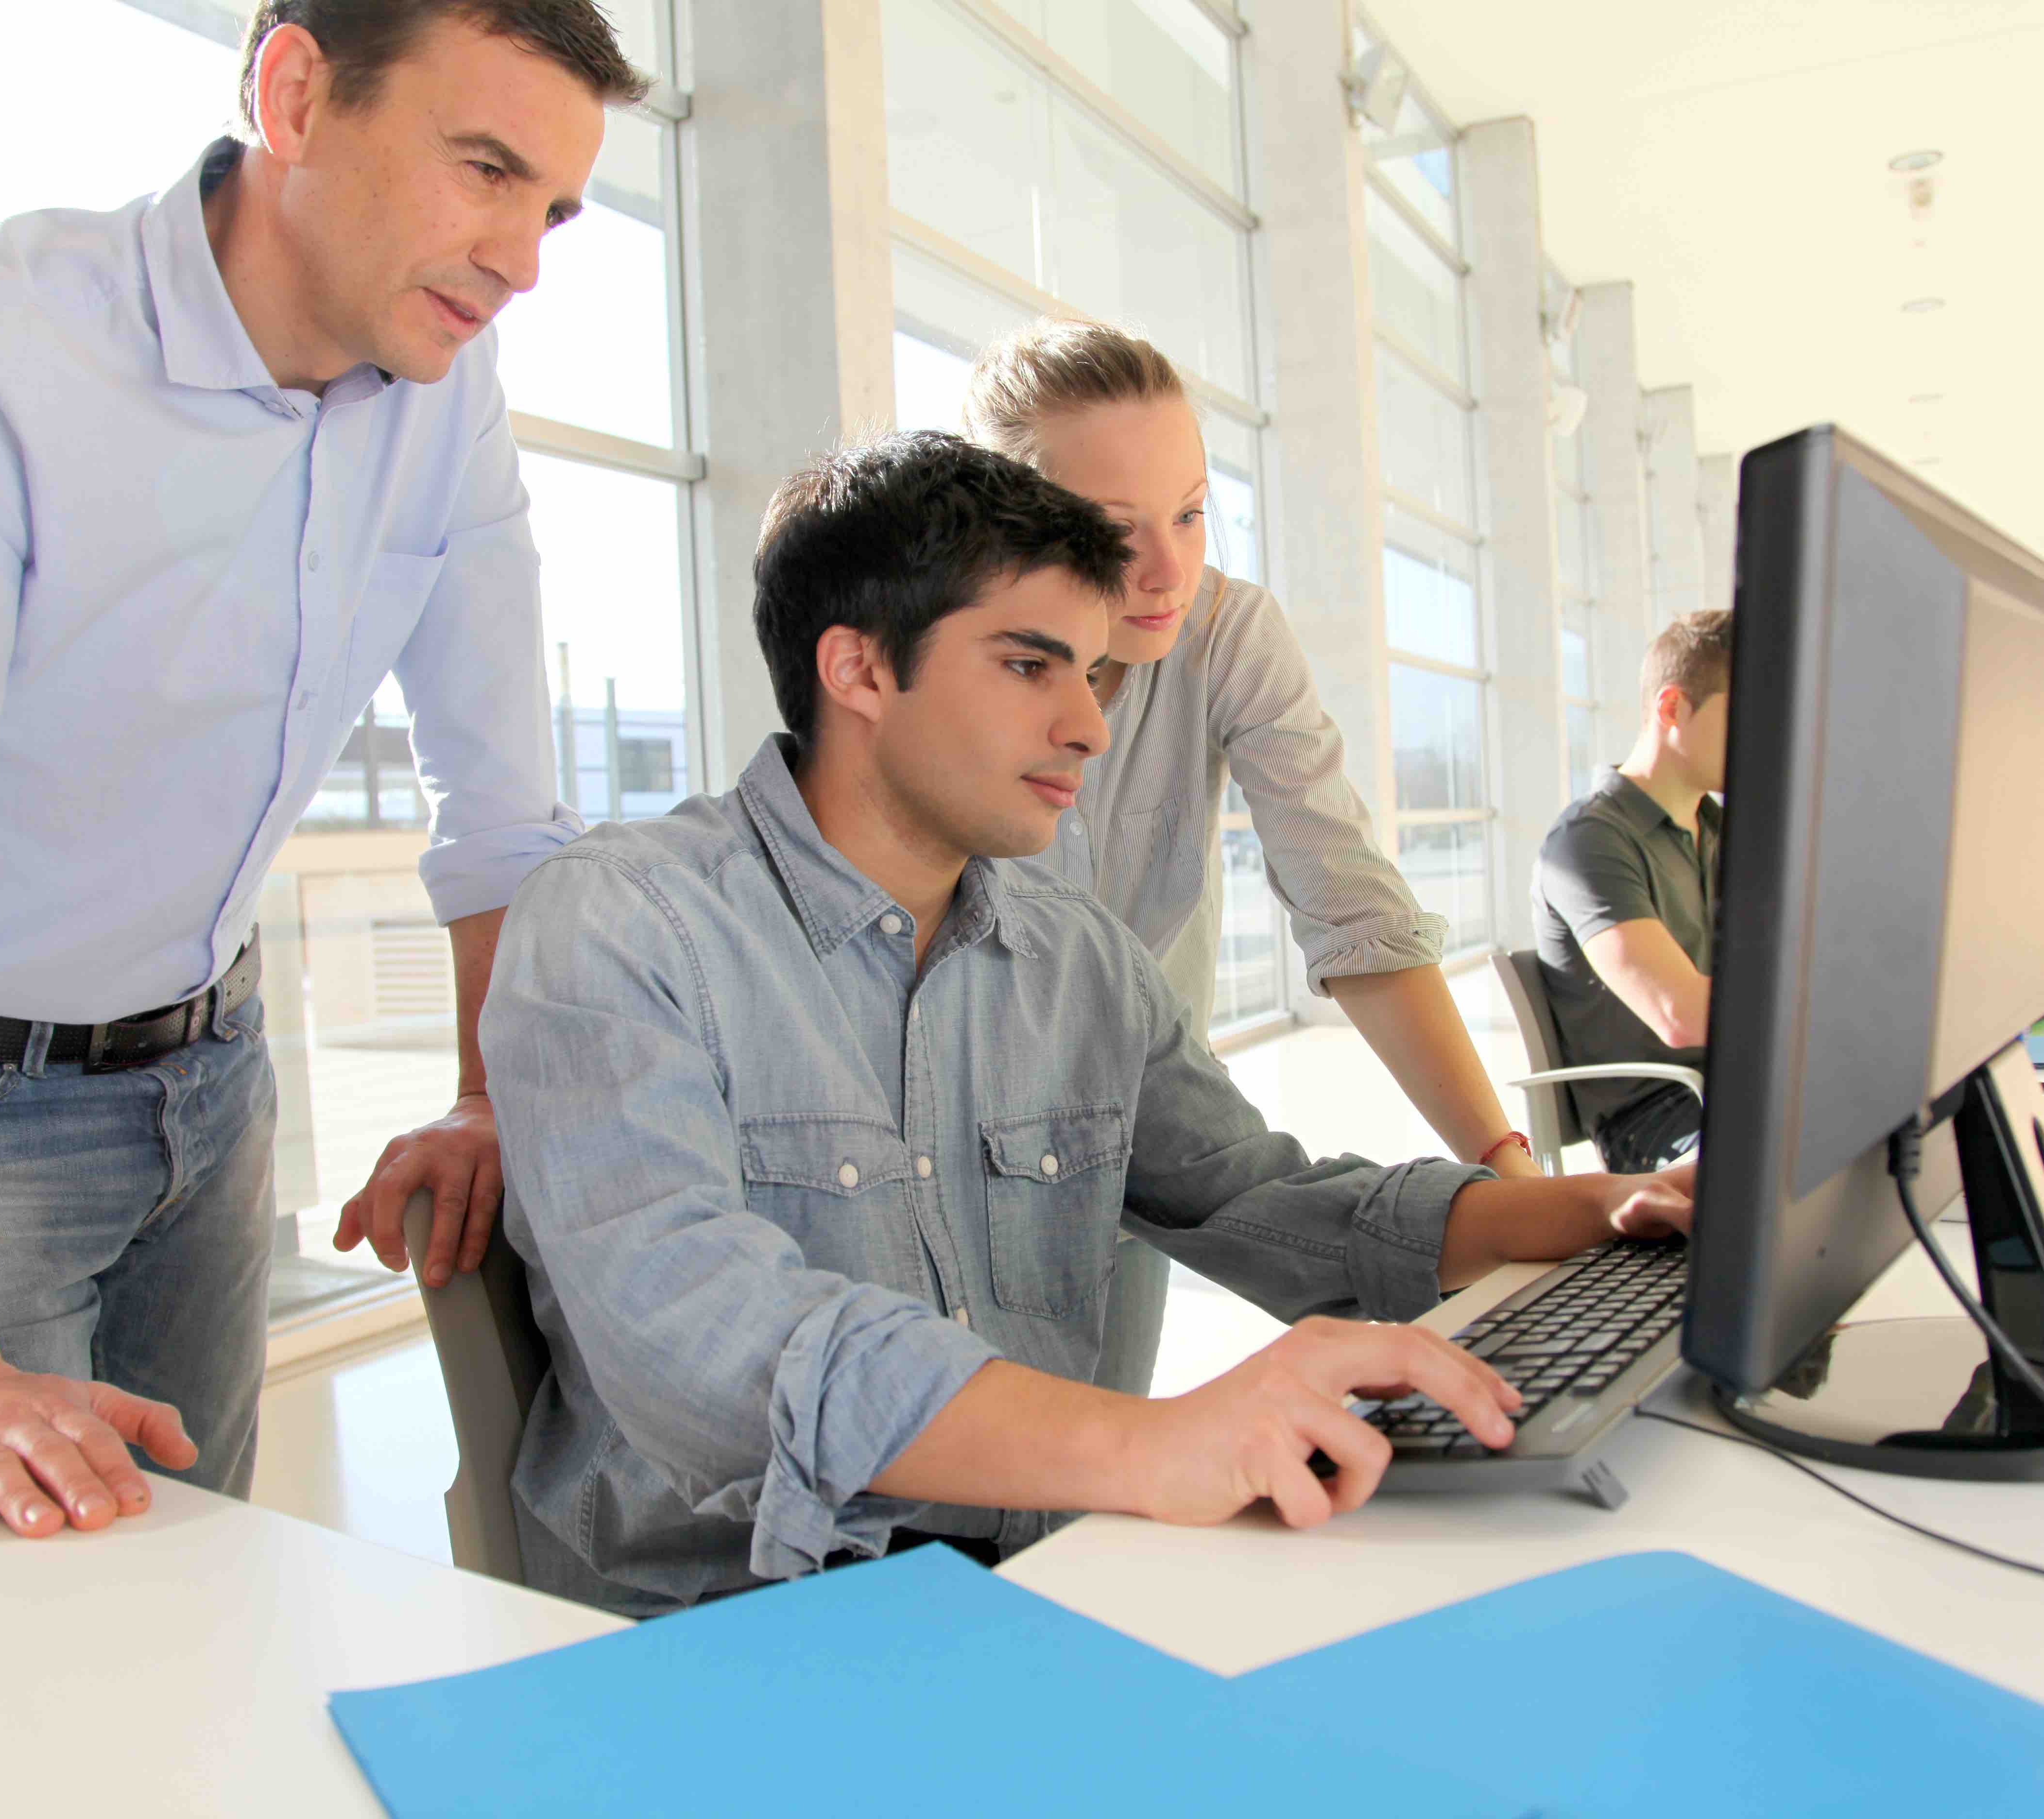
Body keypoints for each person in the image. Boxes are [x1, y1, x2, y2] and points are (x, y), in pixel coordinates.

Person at [0, 0, 642, 1544]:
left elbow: (503, 812)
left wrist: (487, 1092)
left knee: (196, 1594)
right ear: (293, 92)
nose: (521, 259)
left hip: (214, 1082)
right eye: (483, 170)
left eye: (551, 209)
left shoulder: (443, 389)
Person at [477, 431, 1693, 1614]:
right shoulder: (620, 923)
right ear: (857, 670)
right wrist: (1151, 1442)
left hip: (1036, 1597)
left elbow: (1255, 1202)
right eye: (1028, 666)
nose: (1090, 727)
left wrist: (1583, 1210)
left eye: (1094, 673)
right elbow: (709, 1342)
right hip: (719, 1640)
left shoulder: (1076, 956)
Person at [958, 318, 1541, 1400]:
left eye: (1191, 513)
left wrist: (1505, 1169)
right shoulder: (938, 669)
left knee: (1097, 1473)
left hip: (1141, 1123)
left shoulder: (1224, 633)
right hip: (943, 1143)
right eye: (1109, 528)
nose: (1167, 570)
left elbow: (1350, 902)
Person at [1529, 609, 1732, 1174]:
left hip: (1737, 1088)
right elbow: (1680, 1014)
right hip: (1657, 1122)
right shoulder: (1589, 842)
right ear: (1672, 708)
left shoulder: (1719, 830)